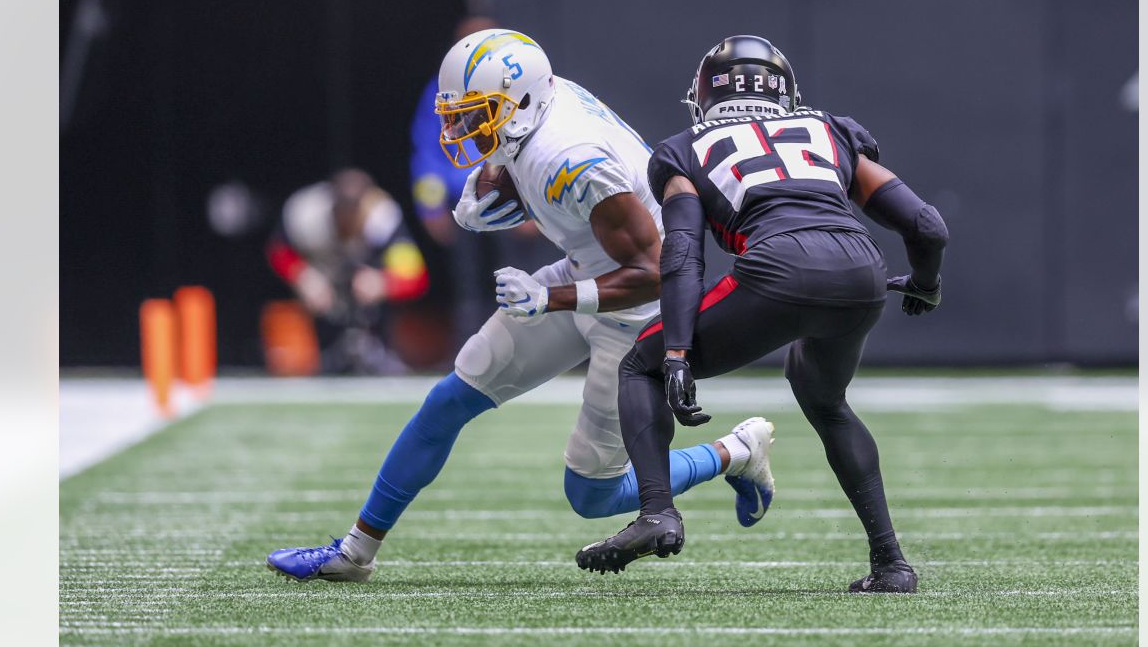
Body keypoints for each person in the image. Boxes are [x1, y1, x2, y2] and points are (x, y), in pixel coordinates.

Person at [265, 29, 775, 582]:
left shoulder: (568, 157)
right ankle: (355, 552)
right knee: (448, 400)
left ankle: (736, 451)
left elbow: (659, 272)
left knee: (593, 493)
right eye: (457, 114)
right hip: (591, 267)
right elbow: (523, 164)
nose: (459, 129)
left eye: (475, 114)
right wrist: (495, 181)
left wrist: (550, 297)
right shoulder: (538, 111)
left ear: (522, 103)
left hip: (637, 312)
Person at [575, 35, 948, 593]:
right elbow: (927, 227)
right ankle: (891, 563)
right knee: (824, 397)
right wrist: (924, 284)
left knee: (640, 365)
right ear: (786, 92)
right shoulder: (831, 130)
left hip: (777, 264)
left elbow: (681, 253)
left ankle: (658, 512)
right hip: (861, 270)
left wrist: (676, 352)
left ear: (704, 95)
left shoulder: (684, 149)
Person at [409, 16, 551, 349]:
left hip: (509, 192)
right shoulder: (441, 90)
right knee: (467, 282)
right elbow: (427, 149)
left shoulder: (518, 85)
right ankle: (471, 348)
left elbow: (536, 142)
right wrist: (429, 206)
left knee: (517, 274)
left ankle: (526, 346)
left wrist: (534, 204)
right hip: (460, 197)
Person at [265, 168, 429, 374]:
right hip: (321, 280)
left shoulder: (384, 219)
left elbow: (415, 278)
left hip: (366, 287)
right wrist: (302, 276)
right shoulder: (305, 212)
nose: (348, 219)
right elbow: (278, 249)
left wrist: (383, 283)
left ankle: (379, 349)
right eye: (343, 211)